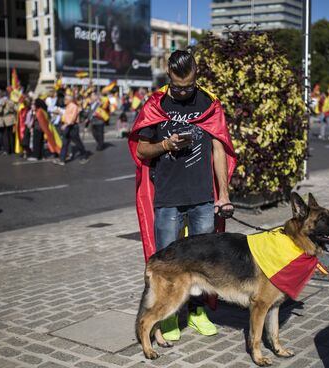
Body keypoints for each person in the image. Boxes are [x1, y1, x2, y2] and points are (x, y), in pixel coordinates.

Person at [128, 50, 236, 341]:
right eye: (178, 87)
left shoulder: (209, 103)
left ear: (196, 76)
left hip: (202, 198)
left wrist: (223, 194)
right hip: (167, 199)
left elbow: (219, 150)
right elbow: (141, 150)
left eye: (189, 86)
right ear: (169, 79)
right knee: (168, 264)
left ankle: (198, 312)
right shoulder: (156, 104)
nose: (184, 92)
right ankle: (169, 317)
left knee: (204, 264)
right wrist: (165, 144)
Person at [54, 94, 89, 165]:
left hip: (72, 127)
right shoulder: (68, 106)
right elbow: (67, 116)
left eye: (65, 99)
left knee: (77, 142)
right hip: (67, 126)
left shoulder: (74, 106)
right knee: (65, 143)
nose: (64, 101)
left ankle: (84, 156)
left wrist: (66, 124)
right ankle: (62, 159)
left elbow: (72, 118)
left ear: (69, 100)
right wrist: (61, 114)